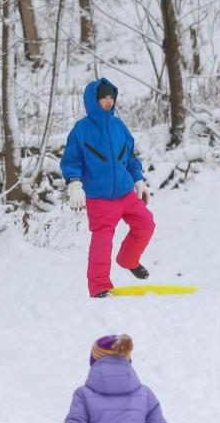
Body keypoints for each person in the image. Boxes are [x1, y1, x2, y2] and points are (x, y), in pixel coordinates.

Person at [61, 78, 154, 298]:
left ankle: (129, 260)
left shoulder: (118, 126)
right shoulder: (81, 130)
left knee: (146, 224)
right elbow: (72, 160)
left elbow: (130, 157)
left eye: (111, 97)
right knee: (102, 241)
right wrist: (74, 184)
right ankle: (99, 286)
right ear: (94, 100)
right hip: (100, 197)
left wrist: (138, 181)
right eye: (103, 97)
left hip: (125, 192)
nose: (108, 101)